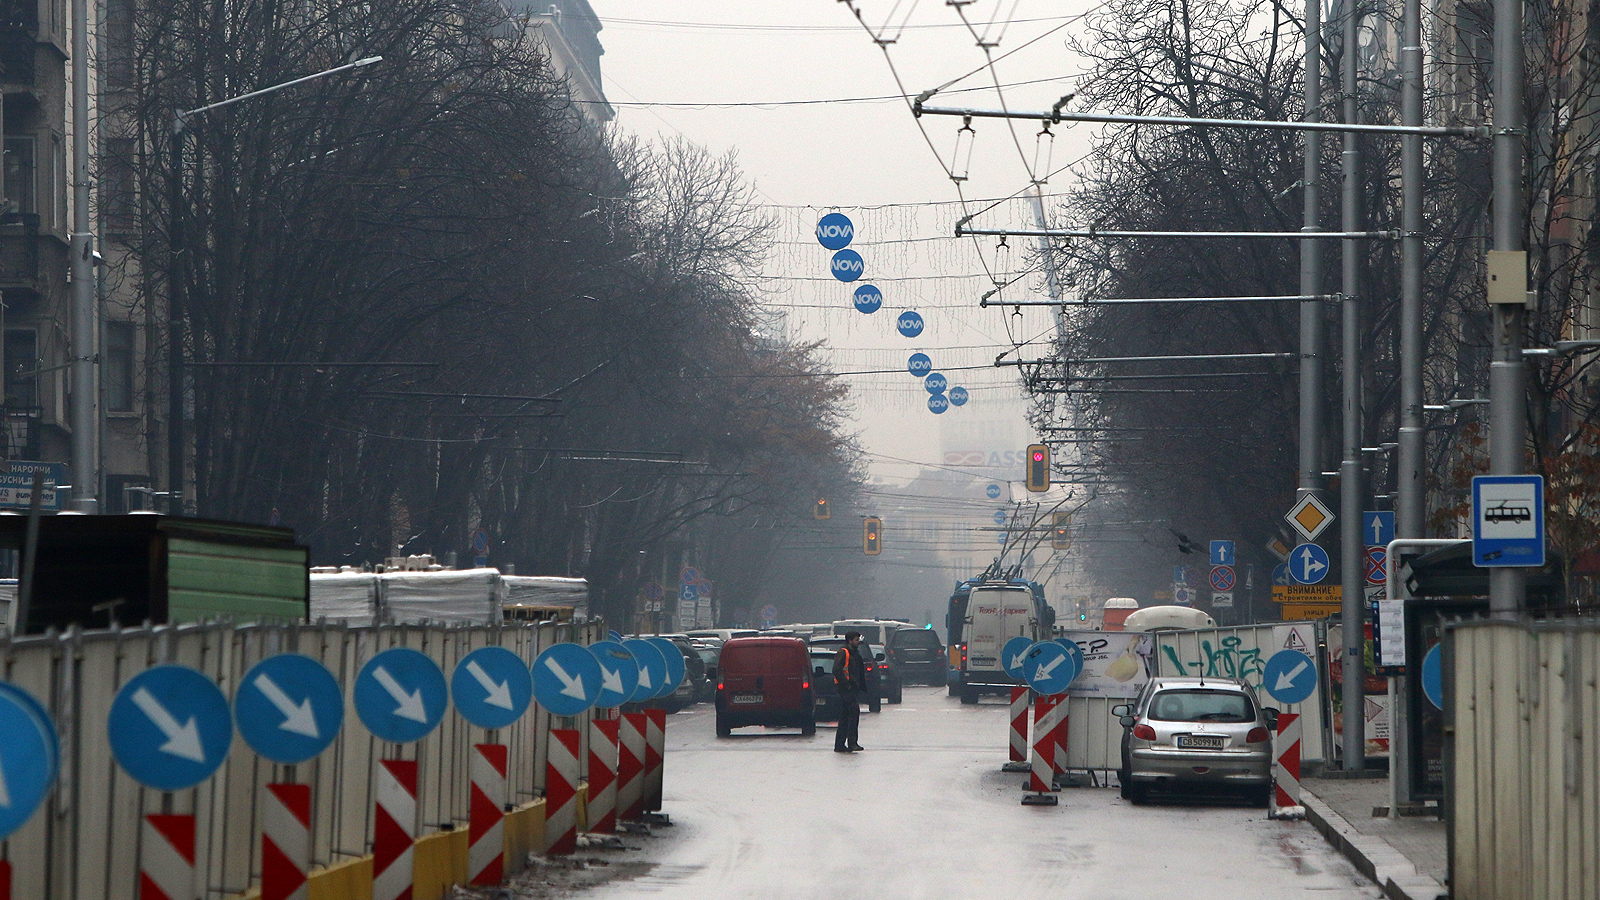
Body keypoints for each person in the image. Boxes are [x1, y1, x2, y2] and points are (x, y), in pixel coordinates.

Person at [832, 630, 866, 752]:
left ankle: (840, 744)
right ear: (850, 640)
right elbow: (836, 669)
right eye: (856, 640)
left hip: (851, 688)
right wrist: (846, 684)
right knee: (854, 711)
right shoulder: (844, 652)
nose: (858, 642)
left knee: (845, 716)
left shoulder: (854, 653)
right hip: (845, 688)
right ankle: (852, 743)